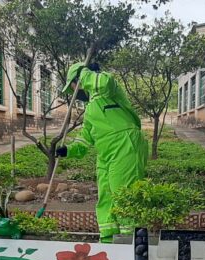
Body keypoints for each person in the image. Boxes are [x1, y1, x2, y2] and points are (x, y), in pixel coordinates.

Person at [56, 62, 148, 243]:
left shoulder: (109, 89)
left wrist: (85, 73)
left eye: (73, 85)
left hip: (125, 145)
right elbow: (85, 139)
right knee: (105, 195)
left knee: (124, 193)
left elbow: (104, 82)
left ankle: (130, 240)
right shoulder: (90, 108)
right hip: (105, 153)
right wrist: (68, 150)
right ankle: (107, 237)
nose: (73, 91)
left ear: (79, 79)